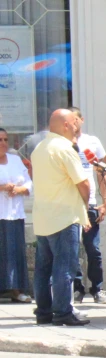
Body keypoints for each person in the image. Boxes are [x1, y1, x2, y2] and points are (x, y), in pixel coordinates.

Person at [30, 109, 90, 326]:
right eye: (75, 122)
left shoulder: (39, 148)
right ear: (65, 124)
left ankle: (44, 312)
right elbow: (82, 182)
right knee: (64, 267)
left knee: (43, 269)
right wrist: (86, 203)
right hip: (65, 216)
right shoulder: (64, 148)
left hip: (43, 216)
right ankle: (63, 312)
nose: (77, 126)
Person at [69, 107, 106, 305]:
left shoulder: (92, 142)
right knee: (73, 248)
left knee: (93, 248)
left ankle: (98, 288)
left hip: (91, 202)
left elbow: (101, 171)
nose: (73, 124)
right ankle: (77, 288)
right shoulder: (63, 144)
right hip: (70, 204)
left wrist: (105, 202)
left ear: (81, 120)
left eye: (75, 119)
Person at [0, 128, 31, 304]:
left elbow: (29, 182)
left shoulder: (15, 160)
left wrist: (19, 189)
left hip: (14, 214)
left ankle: (16, 290)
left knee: (15, 251)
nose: (3, 143)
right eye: (0, 140)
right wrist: (3, 187)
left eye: (5, 139)